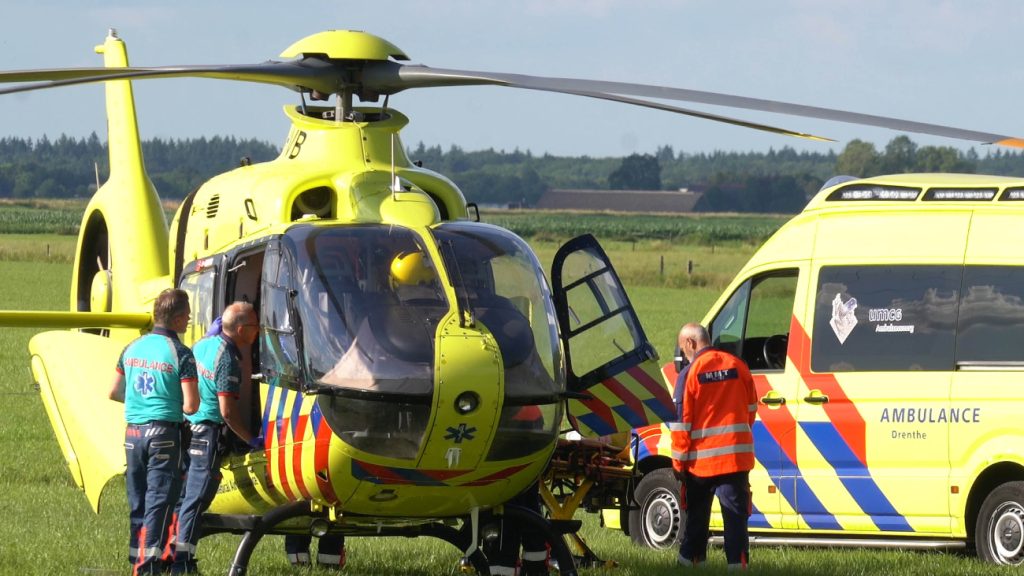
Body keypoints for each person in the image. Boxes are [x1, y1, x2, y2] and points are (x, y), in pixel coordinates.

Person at [108, 288, 199, 575]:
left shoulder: (132, 348)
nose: (188, 320)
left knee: (137, 500)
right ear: (176, 318)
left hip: (133, 433)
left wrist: (142, 403)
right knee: (159, 501)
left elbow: (113, 391)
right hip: (164, 434)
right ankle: (148, 567)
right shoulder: (181, 353)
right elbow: (191, 404)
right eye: (186, 315)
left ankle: (135, 559)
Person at [171, 302, 262, 574]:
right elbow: (227, 412)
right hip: (208, 433)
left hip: (188, 428)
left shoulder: (203, 345)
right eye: (256, 326)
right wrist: (251, 439)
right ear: (243, 329)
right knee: (197, 500)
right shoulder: (228, 358)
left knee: (183, 496)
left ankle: (168, 554)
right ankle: (182, 562)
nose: (259, 331)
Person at [670, 323, 757, 569]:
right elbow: (751, 410)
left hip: (701, 465)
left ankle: (691, 564)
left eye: (683, 350)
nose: (684, 355)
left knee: (697, 521)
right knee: (736, 521)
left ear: (690, 343)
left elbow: (681, 425)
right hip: (735, 460)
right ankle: (737, 566)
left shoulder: (689, 374)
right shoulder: (738, 366)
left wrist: (679, 464)